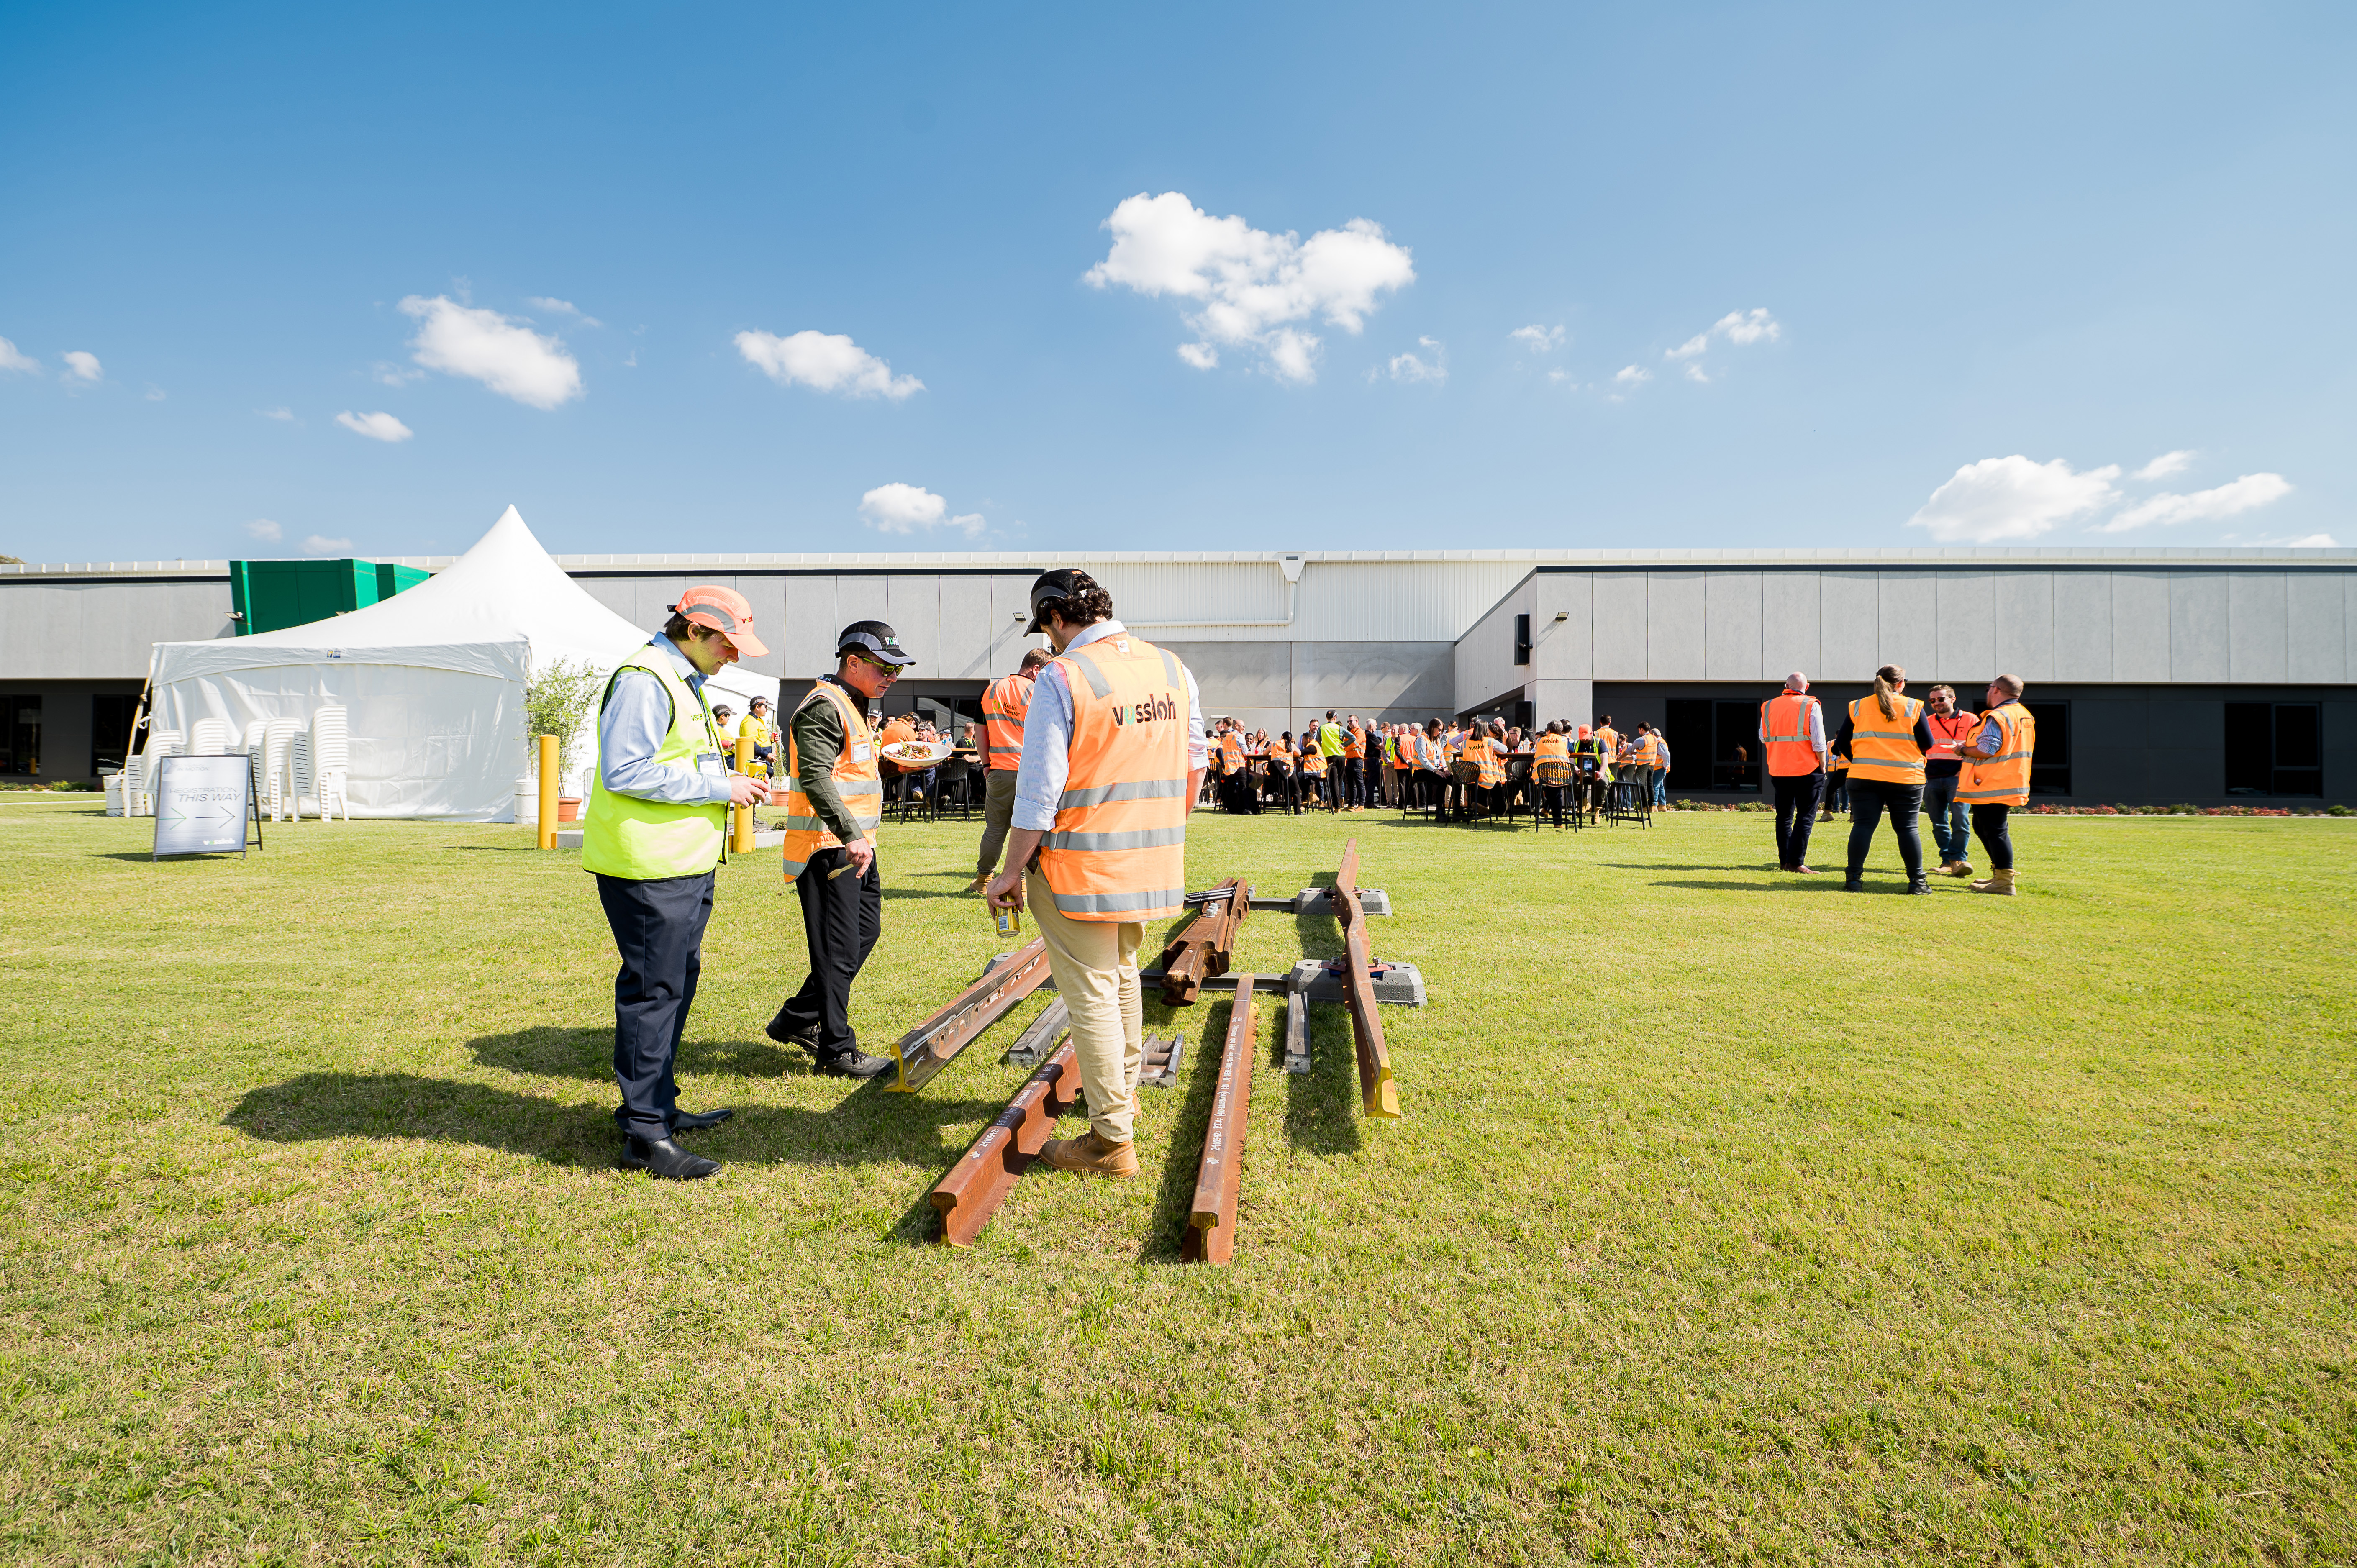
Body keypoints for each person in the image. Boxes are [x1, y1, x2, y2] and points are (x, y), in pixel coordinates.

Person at [986, 569, 1205, 1179]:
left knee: (1090, 997)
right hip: (1148, 860)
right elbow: (1195, 763)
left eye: (1047, 629)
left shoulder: (1064, 675)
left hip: (1076, 864)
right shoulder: (1170, 668)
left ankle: (1111, 1141)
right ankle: (1123, 1098)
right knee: (1122, 978)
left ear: (1056, 618)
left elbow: (1038, 791)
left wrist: (1009, 870)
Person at [581, 585, 775, 1181]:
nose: (734, 657)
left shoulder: (678, 677)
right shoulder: (646, 678)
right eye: (727, 644)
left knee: (671, 986)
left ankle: (655, 1109)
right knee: (653, 993)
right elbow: (627, 770)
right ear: (693, 629)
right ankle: (645, 1135)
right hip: (649, 870)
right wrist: (723, 789)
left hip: (679, 866)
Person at [764, 621, 912, 1078]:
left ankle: (795, 1019)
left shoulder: (852, 705)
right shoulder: (825, 707)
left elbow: (849, 775)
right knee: (838, 949)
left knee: (861, 937)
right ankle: (835, 1049)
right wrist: (850, 835)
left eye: (897, 670)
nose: (891, 676)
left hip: (853, 846)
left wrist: (893, 766)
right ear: (852, 662)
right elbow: (815, 777)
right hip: (829, 846)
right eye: (884, 667)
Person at [1831, 664, 1937, 893]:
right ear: (1901, 684)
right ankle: (1917, 884)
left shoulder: (1858, 706)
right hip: (1906, 777)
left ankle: (1853, 881)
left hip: (1864, 775)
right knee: (1908, 829)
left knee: (1863, 826)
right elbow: (1928, 744)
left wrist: (1858, 758)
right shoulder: (1914, 706)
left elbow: (1841, 743)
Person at [970, 648, 1049, 892]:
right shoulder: (1040, 691)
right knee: (1030, 827)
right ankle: (1023, 880)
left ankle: (984, 879)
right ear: (1036, 669)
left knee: (995, 828)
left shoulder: (991, 690)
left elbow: (979, 731)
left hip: (1000, 770)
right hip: (1032, 772)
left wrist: (986, 764)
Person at [1957, 674, 2036, 895]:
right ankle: (2000, 875)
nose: (1988, 692)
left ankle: (2004, 880)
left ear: (1997, 690)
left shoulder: (1999, 715)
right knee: (1984, 827)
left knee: (1994, 830)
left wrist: (1963, 750)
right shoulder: (2022, 714)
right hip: (2009, 779)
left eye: (1989, 688)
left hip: (1993, 782)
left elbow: (1987, 749)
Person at [1758, 672, 1827, 872]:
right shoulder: (1810, 704)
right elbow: (1819, 739)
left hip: (1779, 768)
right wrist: (1823, 763)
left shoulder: (1769, 706)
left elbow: (1763, 736)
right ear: (1807, 686)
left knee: (1784, 816)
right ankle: (1796, 863)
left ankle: (1784, 862)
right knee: (1806, 815)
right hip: (1807, 769)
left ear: (1786, 685)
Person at [1922, 684, 1978, 878]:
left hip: (1958, 778)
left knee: (1960, 820)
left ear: (1952, 699)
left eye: (1940, 699)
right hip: (1931, 779)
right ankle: (1947, 861)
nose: (1936, 703)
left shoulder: (1971, 719)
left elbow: (1978, 748)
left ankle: (1958, 859)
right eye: (1932, 701)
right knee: (1939, 823)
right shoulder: (1927, 721)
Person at [1534, 720, 1574, 827]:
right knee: (1556, 793)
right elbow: (1572, 750)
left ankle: (1548, 812)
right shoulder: (1565, 740)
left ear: (1548, 731)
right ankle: (1557, 821)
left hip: (1543, 776)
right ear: (1561, 732)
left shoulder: (1539, 741)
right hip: (1562, 775)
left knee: (1551, 791)